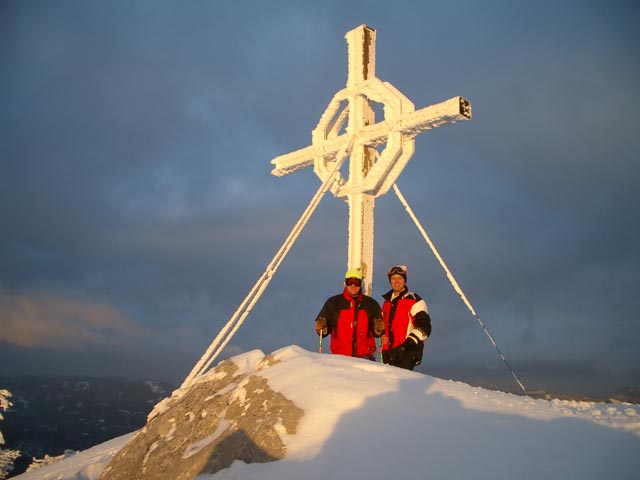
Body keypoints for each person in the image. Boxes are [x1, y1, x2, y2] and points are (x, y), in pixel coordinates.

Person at [314, 268, 384, 360]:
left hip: (365, 356)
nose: (353, 285)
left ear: (361, 284)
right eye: (350, 282)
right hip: (340, 356)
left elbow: (377, 332)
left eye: (357, 282)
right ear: (345, 283)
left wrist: (378, 328)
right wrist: (322, 327)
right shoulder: (334, 303)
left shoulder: (370, 304)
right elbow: (323, 329)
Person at [380, 265, 432, 370]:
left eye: (399, 278)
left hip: (407, 352)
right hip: (388, 352)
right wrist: (381, 335)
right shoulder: (386, 303)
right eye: (393, 278)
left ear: (405, 280)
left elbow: (424, 327)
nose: (396, 281)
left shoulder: (414, 300)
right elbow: (381, 325)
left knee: (402, 382)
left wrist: (406, 345)